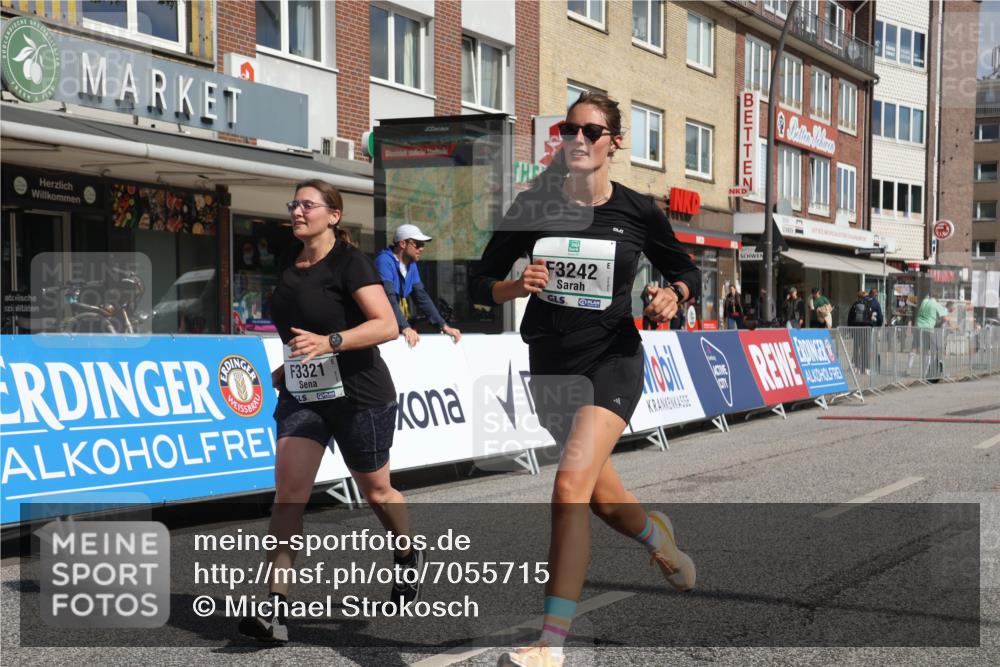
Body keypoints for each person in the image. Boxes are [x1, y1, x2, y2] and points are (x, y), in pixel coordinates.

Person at [470, 93, 700, 667]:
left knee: (569, 488)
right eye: (568, 129)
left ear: (614, 142)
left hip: (612, 361)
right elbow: (480, 281)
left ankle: (551, 646)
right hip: (551, 367)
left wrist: (674, 294)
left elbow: (685, 269)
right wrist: (516, 286)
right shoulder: (533, 205)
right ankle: (658, 538)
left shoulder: (639, 211)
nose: (577, 139)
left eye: (591, 131)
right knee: (603, 501)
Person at [239, 180, 422, 644]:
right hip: (304, 394)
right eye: (293, 204)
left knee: (377, 492)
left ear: (333, 216)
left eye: (308, 204)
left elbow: (386, 325)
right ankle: (274, 609)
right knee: (289, 495)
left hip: (359, 393)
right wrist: (286, 370)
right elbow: (300, 334)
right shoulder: (290, 264)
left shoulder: (350, 263)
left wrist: (331, 342)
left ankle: (406, 554)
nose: (297, 211)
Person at [375, 224, 462, 347]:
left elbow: (421, 297)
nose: (421, 248)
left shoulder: (411, 264)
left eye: (423, 245)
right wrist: (405, 327)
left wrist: (443, 326)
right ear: (402, 244)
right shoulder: (384, 261)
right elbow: (389, 298)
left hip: (392, 323)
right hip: (376, 326)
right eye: (417, 244)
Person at [909, 293, 949, 378]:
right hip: (928, 328)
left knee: (914, 347)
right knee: (926, 350)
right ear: (937, 299)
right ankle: (925, 372)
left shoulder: (924, 301)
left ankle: (908, 369)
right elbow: (945, 318)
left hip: (918, 326)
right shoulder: (936, 304)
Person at [847, 290, 874, 373]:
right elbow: (871, 317)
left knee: (856, 348)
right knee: (865, 348)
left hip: (856, 329)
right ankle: (866, 368)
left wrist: (850, 330)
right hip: (866, 330)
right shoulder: (868, 304)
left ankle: (856, 367)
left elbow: (850, 318)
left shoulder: (854, 305)